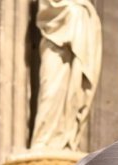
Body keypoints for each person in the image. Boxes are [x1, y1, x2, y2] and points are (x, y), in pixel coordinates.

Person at [31, 0, 102, 151]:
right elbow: (48, 9)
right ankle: (44, 139)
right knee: (50, 91)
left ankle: (68, 139)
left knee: (74, 89)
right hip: (54, 42)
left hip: (75, 40)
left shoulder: (82, 10)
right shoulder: (73, 10)